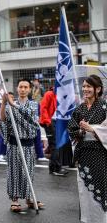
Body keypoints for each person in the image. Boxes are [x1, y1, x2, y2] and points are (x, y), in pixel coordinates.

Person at [0, 79, 44, 212]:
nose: (23, 89)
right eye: (21, 87)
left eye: (26, 87)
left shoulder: (34, 105)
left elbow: (31, 117)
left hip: (28, 145)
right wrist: (3, 104)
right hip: (14, 144)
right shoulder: (10, 105)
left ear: (29, 89)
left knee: (28, 173)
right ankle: (14, 200)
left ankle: (29, 198)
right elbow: (3, 120)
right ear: (17, 88)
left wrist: (13, 104)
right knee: (14, 172)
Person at [68, 75, 107, 222]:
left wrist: (92, 129)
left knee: (100, 187)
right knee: (84, 189)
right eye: (84, 86)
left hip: (100, 154)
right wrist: (81, 131)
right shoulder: (79, 109)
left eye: (88, 86)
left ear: (98, 89)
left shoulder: (105, 107)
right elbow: (71, 129)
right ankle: (87, 219)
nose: (85, 89)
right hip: (84, 154)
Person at [40, 87, 68, 176]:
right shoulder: (49, 94)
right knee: (55, 144)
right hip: (50, 121)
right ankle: (56, 168)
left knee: (55, 144)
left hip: (56, 122)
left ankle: (53, 168)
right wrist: (48, 122)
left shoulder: (61, 96)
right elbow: (43, 108)